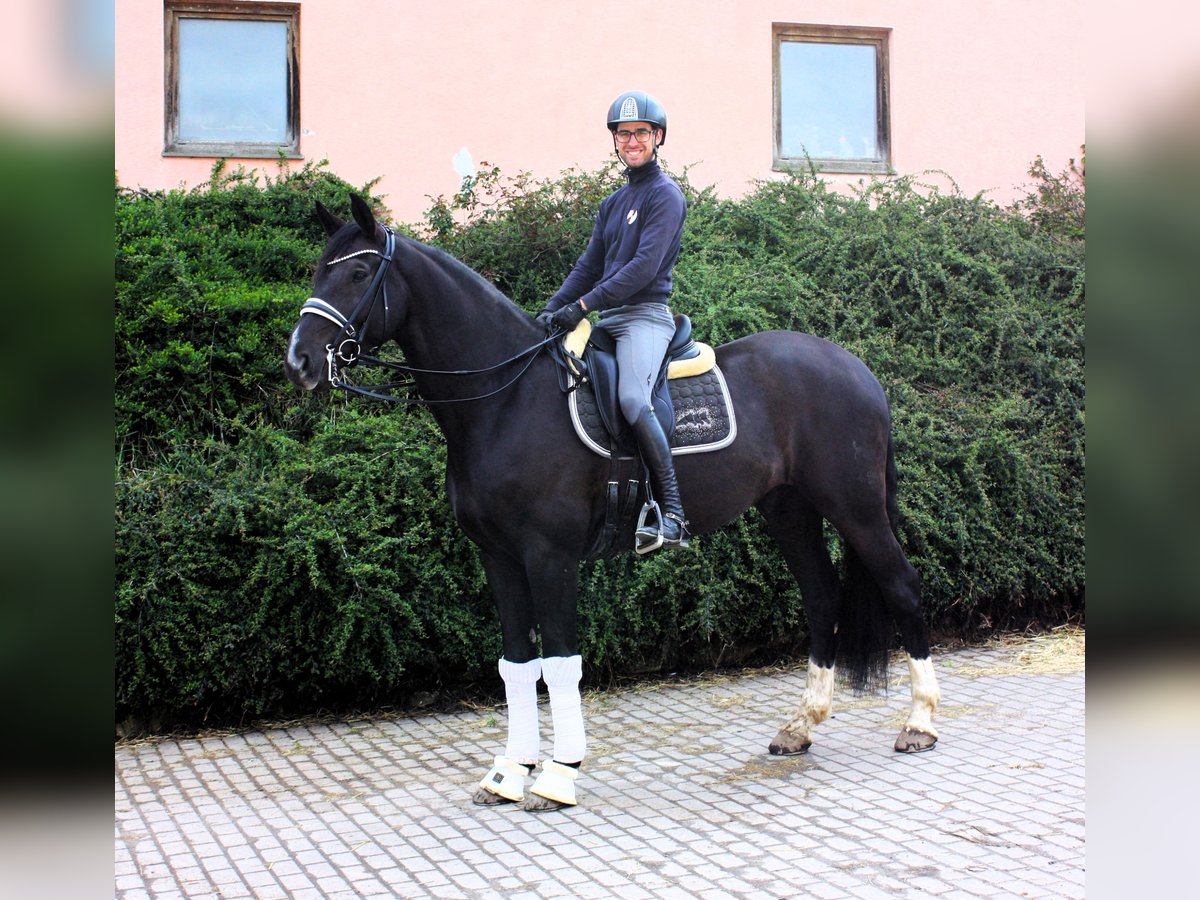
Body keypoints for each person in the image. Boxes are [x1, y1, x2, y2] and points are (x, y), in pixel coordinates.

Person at [538, 90, 689, 550]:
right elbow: (589, 267)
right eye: (624, 135)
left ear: (657, 137)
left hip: (645, 316)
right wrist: (549, 310)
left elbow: (642, 268)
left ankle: (673, 515)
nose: (632, 141)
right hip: (610, 320)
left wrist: (582, 307)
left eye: (640, 133)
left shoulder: (666, 196)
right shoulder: (612, 203)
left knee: (629, 398)